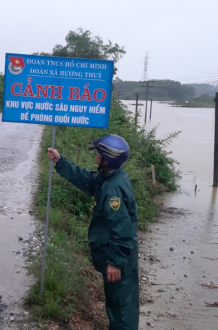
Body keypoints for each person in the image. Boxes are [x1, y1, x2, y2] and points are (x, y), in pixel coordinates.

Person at [47, 134, 139, 329]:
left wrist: (115, 262)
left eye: (99, 152)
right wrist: (61, 161)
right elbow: (87, 179)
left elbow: (122, 229)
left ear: (107, 158)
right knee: (119, 305)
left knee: (121, 309)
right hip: (119, 256)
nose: (96, 154)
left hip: (119, 260)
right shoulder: (111, 176)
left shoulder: (112, 190)